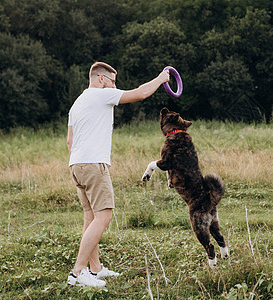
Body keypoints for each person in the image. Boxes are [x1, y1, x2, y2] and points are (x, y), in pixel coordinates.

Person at [66, 62, 169, 287]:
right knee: (104, 216)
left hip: (76, 164)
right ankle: (78, 272)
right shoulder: (100, 95)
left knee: (90, 217)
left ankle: (96, 269)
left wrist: (80, 163)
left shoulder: (78, 103)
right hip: (93, 165)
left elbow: (69, 141)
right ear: (101, 79)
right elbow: (141, 93)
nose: (115, 86)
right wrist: (161, 79)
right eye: (113, 81)